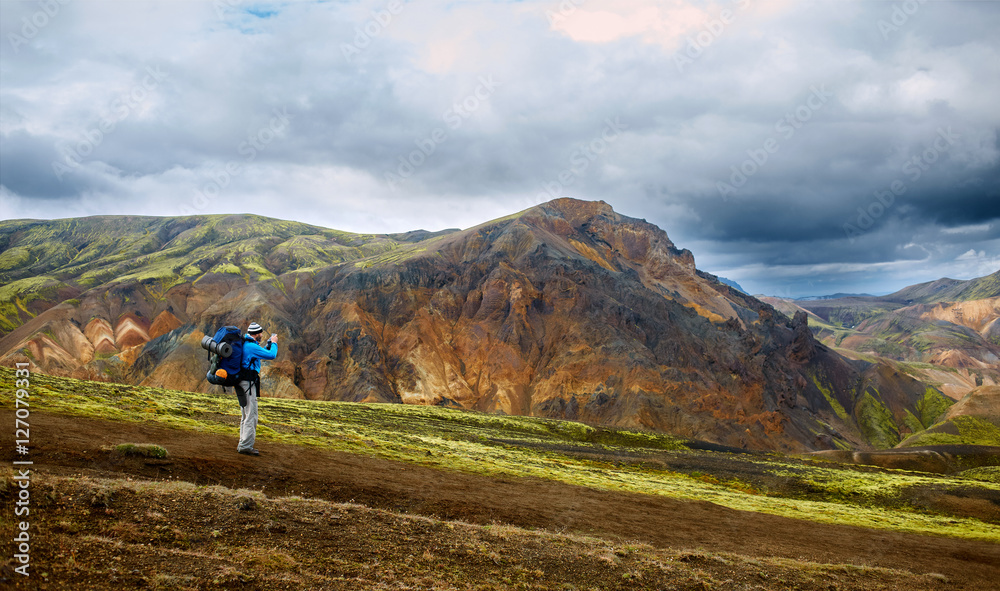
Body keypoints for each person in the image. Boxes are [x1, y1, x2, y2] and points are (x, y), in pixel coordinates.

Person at [237, 322, 278, 456]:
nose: (261, 335)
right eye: (260, 333)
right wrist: (274, 343)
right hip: (248, 383)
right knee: (251, 414)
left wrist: (267, 345)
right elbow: (271, 355)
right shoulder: (251, 347)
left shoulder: (247, 344)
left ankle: (243, 443)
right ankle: (246, 446)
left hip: (241, 382)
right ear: (257, 334)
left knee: (245, 414)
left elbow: (262, 353)